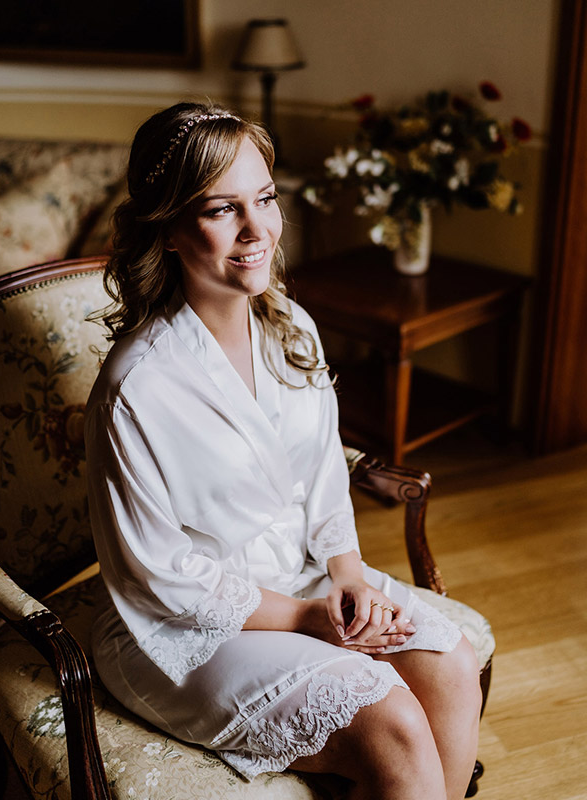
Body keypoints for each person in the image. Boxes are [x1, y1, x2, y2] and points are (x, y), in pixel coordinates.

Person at [85, 102, 483, 800]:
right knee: (391, 723)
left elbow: (325, 468)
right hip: (178, 629)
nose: (257, 229)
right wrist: (304, 618)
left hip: (306, 580)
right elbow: (161, 576)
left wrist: (348, 574)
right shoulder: (137, 387)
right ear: (170, 228)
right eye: (221, 210)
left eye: (264, 199)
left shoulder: (291, 327)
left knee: (449, 672)